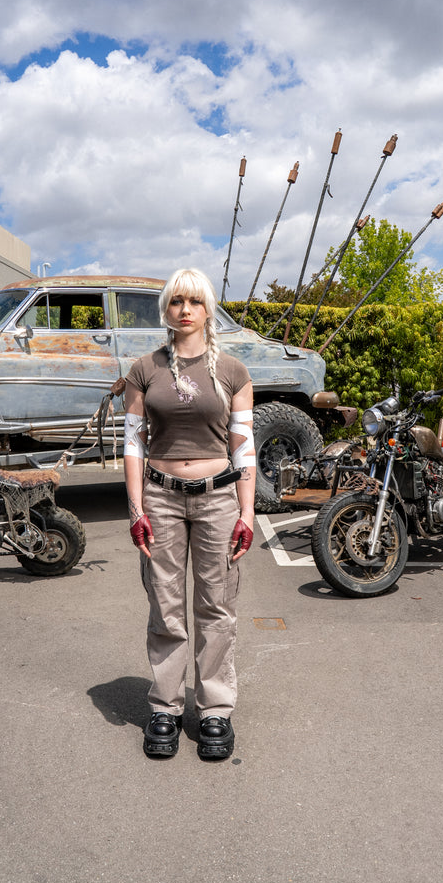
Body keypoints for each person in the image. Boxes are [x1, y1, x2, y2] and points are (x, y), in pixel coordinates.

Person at [123, 268, 256, 760]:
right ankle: (165, 706)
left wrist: (247, 512)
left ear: (207, 309)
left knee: (217, 605)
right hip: (160, 495)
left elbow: (244, 448)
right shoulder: (145, 369)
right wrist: (136, 508)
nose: (184, 310)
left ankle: (215, 710)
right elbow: (133, 444)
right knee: (165, 603)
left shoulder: (234, 372)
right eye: (176, 301)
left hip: (219, 498)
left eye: (194, 302)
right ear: (166, 309)